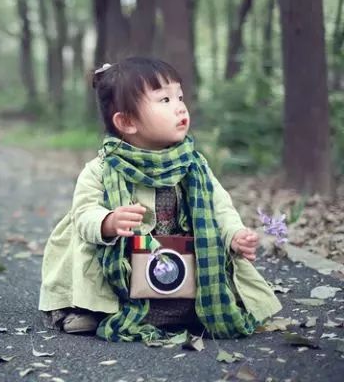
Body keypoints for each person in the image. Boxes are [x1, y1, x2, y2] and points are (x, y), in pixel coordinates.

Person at [38, 57, 281, 341]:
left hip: (179, 254)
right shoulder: (102, 169)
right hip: (124, 260)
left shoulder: (194, 165)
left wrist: (234, 234)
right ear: (127, 121)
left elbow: (220, 208)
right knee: (88, 252)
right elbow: (84, 213)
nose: (179, 106)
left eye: (179, 96)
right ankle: (87, 308)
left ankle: (189, 307)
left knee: (193, 284)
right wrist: (107, 221)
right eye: (164, 100)